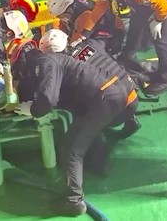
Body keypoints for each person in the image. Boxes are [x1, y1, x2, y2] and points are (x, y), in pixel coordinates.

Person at [8, 39, 138, 216]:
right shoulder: (59, 59)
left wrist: (32, 109)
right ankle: (99, 164)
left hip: (104, 98)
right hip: (118, 94)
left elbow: (48, 100)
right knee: (85, 129)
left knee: (71, 149)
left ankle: (73, 201)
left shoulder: (47, 61)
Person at [84, 0, 167, 95]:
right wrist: (85, 33)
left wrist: (157, 21)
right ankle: (127, 55)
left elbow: (163, 6)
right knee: (137, 23)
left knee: (160, 38)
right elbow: (100, 7)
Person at [38, 29, 141, 140]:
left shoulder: (63, 66)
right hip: (132, 94)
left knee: (76, 98)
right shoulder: (90, 43)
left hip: (114, 108)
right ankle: (130, 120)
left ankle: (95, 140)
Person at [46, 0, 125, 53]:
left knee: (82, 49)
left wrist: (64, 50)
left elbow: (77, 39)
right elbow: (63, 26)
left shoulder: (83, 16)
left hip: (112, 34)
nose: (59, 18)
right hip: (96, 28)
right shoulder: (73, 4)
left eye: (60, 16)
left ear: (67, 11)